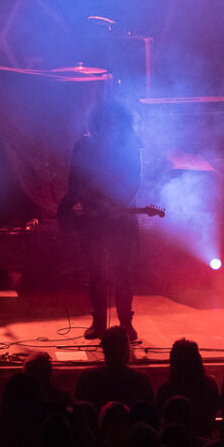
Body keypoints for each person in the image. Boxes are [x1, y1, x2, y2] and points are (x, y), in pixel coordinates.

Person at [61, 101, 144, 341]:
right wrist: (79, 204)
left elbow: (134, 179)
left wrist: (117, 205)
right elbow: (74, 178)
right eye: (105, 121)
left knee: (122, 272)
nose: (109, 126)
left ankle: (125, 324)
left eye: (113, 121)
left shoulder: (129, 144)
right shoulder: (84, 145)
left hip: (119, 217)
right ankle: (98, 323)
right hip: (93, 218)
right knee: (96, 272)